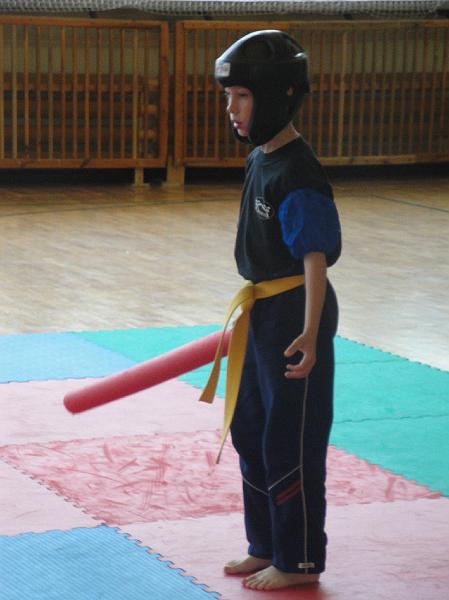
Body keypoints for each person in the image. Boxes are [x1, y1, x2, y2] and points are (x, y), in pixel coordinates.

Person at [212, 30, 342, 590]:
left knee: (291, 438)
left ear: (276, 96)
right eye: (229, 96)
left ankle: (299, 558)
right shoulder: (259, 159)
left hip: (296, 313)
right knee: (252, 428)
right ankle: (264, 543)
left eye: (242, 97)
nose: (232, 109)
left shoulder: (297, 170)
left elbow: (315, 258)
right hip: (264, 312)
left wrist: (310, 333)